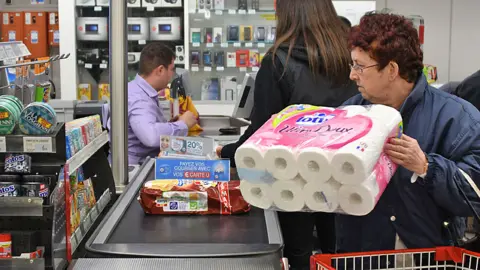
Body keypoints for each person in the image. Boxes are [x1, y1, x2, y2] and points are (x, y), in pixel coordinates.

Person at [217, 0, 358, 269]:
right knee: (339, 254)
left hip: (292, 179)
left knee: (298, 254)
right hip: (344, 175)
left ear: (286, 13)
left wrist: (225, 153)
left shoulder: (278, 61)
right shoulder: (348, 58)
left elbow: (261, 134)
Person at [337, 12, 480, 265]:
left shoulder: (456, 118)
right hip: (359, 254)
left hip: (425, 257)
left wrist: (426, 166)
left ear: (392, 69)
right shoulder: (350, 113)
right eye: (352, 65)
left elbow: (474, 194)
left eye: (360, 66)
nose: (352, 75)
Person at [127, 43, 197, 164]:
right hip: (137, 171)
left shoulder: (137, 90)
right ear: (160, 70)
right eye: (171, 69)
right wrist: (182, 124)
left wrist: (170, 125)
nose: (172, 74)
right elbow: (151, 137)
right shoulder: (139, 98)